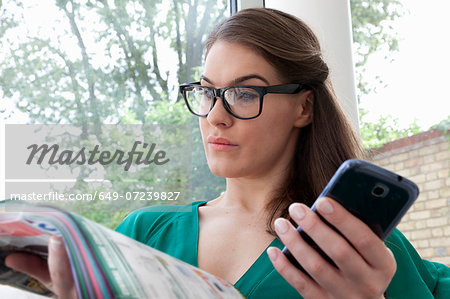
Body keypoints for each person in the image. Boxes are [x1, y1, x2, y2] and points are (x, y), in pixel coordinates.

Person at [5, 8, 449, 298]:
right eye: (207, 92)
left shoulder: (358, 247)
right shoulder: (142, 233)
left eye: (242, 92)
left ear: (304, 106)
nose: (215, 116)